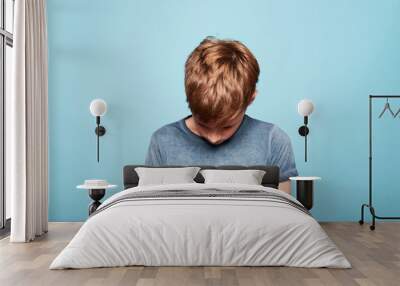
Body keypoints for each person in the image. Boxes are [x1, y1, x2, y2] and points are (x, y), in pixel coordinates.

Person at [145, 37, 298, 194]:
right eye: (203, 124)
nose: (214, 137)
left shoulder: (273, 140)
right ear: (189, 98)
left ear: (251, 98)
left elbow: (282, 210)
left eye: (226, 126)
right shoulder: (162, 141)